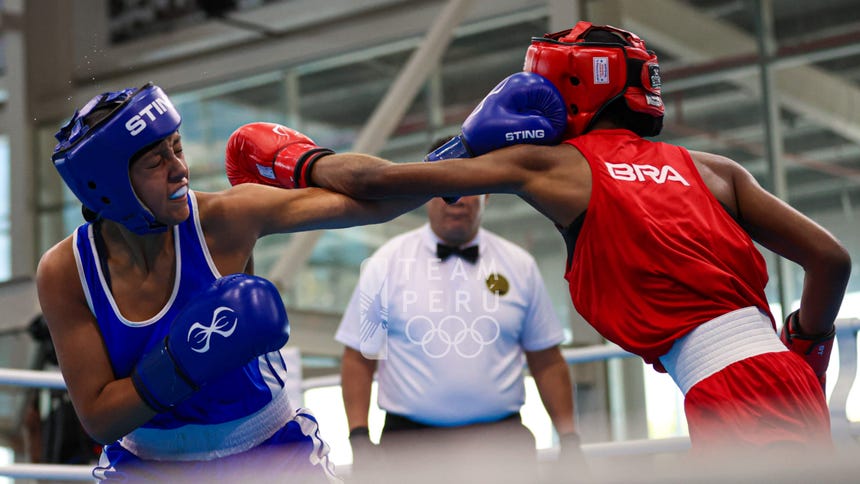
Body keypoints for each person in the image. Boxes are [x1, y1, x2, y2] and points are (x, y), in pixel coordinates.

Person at [229, 21, 852, 462]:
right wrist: (807, 348)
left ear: (570, 87)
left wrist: (299, 162)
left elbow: (384, 184)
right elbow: (830, 259)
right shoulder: (713, 168)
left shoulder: (553, 167)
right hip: (780, 375)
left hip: (730, 390)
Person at [36, 85, 425, 482]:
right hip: (146, 466)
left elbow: (377, 199)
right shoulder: (67, 271)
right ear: (112, 185)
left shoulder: (223, 217)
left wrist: (458, 160)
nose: (179, 169)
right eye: (156, 160)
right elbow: (98, 419)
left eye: (177, 147)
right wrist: (181, 364)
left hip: (268, 450)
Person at [333, 137, 579, 483]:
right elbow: (360, 356)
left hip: (502, 443)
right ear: (426, 193)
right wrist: (359, 437)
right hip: (410, 445)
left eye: (465, 187)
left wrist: (569, 437)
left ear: (487, 192)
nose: (456, 200)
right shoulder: (385, 263)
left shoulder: (519, 265)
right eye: (444, 188)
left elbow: (547, 359)